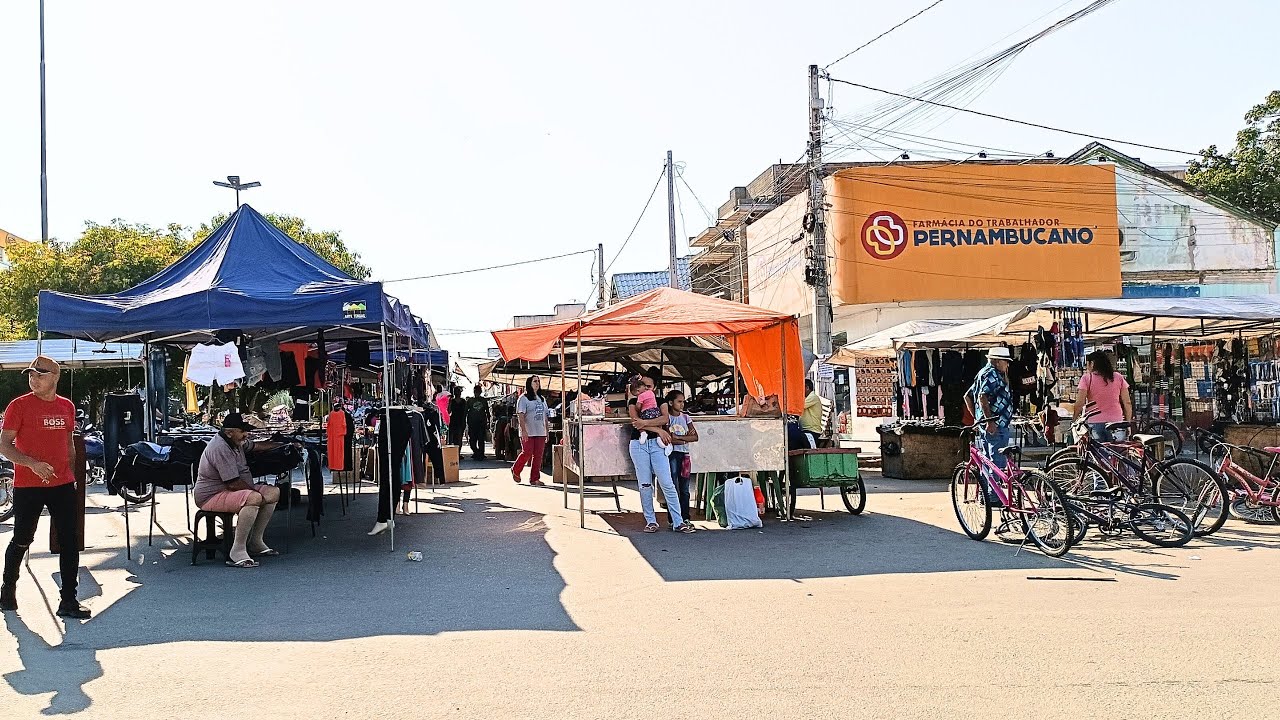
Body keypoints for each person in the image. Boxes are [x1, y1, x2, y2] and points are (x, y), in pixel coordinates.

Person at [0, 356, 90, 618]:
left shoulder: (66, 407)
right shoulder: (19, 406)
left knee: (69, 540)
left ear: (55, 376)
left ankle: (69, 600)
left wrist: (72, 475)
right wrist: (32, 464)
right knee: (23, 538)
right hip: (28, 484)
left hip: (62, 483)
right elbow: (4, 445)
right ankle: (8, 589)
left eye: (40, 374)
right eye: (31, 374)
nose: (33, 379)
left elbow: (69, 444)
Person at [192, 413, 288, 568]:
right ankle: (237, 550)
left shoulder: (236, 441)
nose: (246, 434)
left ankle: (256, 542)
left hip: (230, 490)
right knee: (253, 498)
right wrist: (256, 496)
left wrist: (281, 445)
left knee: (273, 492)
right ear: (229, 432)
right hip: (211, 496)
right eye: (242, 431)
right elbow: (233, 484)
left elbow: (256, 446)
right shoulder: (220, 447)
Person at [629, 375, 693, 533]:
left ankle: (678, 521)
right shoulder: (633, 401)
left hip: (657, 445)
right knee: (644, 484)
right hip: (639, 444)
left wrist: (645, 423)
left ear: (654, 388)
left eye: (648, 386)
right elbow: (635, 421)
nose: (645, 388)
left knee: (667, 483)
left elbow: (664, 419)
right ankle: (650, 521)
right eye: (642, 385)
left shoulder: (660, 401)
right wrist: (657, 429)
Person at [965, 347, 1015, 500]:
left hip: (991, 424)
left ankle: (986, 496)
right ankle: (993, 497)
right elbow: (982, 396)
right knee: (996, 462)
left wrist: (978, 419)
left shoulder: (985, 373)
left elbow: (967, 396)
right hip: (996, 425)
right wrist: (989, 421)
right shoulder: (991, 374)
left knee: (988, 461)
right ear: (997, 361)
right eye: (1005, 361)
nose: (1007, 365)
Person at [1073, 350, 1133, 441]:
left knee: (1098, 453)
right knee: (1117, 452)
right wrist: (1128, 423)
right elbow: (1127, 402)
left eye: (1087, 364)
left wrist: (1074, 419)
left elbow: (1079, 403)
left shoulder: (1087, 378)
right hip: (1117, 422)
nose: (1087, 367)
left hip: (1095, 423)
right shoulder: (1118, 377)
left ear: (1092, 363)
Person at [665, 389, 699, 528]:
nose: (682, 404)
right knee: (673, 487)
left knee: (684, 488)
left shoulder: (685, 417)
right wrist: (685, 439)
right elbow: (668, 438)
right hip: (672, 454)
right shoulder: (667, 417)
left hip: (685, 455)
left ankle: (685, 517)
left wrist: (678, 438)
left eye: (683, 401)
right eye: (679, 401)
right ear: (671, 402)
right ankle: (673, 518)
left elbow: (695, 437)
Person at [512, 377, 549, 485]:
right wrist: (523, 430)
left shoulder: (542, 399)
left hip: (540, 431)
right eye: (535, 381)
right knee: (527, 452)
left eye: (538, 381)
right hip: (528, 431)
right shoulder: (523, 398)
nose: (537, 383)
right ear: (529, 383)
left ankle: (534, 478)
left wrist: (547, 431)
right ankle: (516, 470)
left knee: (538, 455)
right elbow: (520, 414)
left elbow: (545, 416)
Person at [466, 385, 490, 460]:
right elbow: (465, 411)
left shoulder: (483, 400)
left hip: (481, 423)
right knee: (472, 440)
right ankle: (476, 452)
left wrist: (488, 421)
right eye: (476, 391)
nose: (477, 393)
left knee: (481, 439)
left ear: (480, 392)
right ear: (474, 392)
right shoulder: (470, 401)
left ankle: (481, 454)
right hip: (472, 423)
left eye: (478, 391)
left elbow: (487, 412)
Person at [800, 379, 823, 448]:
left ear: (807, 388)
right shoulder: (807, 398)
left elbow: (799, 406)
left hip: (812, 431)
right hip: (806, 430)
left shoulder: (812, 397)